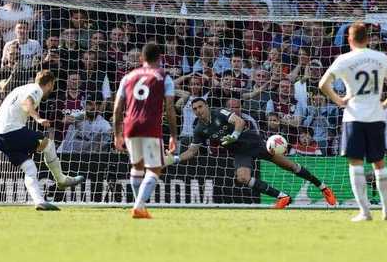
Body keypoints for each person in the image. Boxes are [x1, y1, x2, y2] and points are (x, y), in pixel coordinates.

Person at [167, 97, 337, 208]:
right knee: (242, 178)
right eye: (195, 108)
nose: (198, 110)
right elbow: (191, 151)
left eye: (200, 107)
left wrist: (234, 135)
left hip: (253, 142)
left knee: (290, 166)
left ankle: (323, 187)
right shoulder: (199, 129)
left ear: (206, 106)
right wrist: (174, 159)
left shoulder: (220, 112)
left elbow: (239, 121)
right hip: (240, 152)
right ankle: (283, 197)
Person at [319, 21, 387, 222]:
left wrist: (339, 100)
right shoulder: (379, 57)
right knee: (379, 163)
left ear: (349, 39)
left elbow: (323, 84)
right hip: (376, 116)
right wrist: (385, 103)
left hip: (354, 116)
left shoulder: (344, 59)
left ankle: (365, 212)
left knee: (355, 164)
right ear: (367, 38)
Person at [0, 70, 83, 211]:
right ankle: (61, 180)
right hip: (11, 131)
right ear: (50, 84)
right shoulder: (36, 89)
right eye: (53, 85)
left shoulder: (21, 88)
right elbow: (27, 104)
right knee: (48, 144)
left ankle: (39, 202)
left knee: (29, 168)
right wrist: (38, 118)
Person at [112, 42, 178, 219]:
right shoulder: (164, 76)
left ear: (141, 58)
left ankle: (139, 206)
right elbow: (170, 108)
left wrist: (117, 133)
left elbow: (117, 108)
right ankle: (139, 206)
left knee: (137, 166)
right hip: (150, 125)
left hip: (130, 125)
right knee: (154, 169)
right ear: (160, 58)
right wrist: (173, 135)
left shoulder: (128, 77)